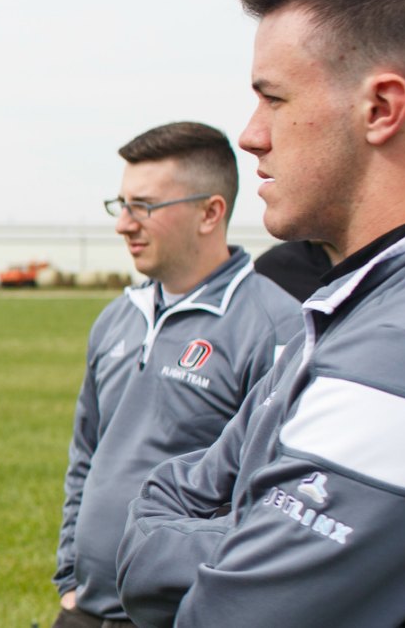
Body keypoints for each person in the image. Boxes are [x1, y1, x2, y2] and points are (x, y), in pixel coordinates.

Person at [115, 0, 405, 625]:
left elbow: (227, 611)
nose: (250, 136)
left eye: (273, 98)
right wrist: (242, 536)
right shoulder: (376, 303)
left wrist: (194, 539)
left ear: (382, 109)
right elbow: (166, 494)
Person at [52, 122, 300, 628]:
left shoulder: (276, 328)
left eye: (143, 207)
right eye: (119, 205)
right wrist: (70, 579)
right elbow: (87, 455)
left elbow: (272, 501)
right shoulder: (116, 318)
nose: (124, 224)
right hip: (83, 609)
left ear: (210, 213)